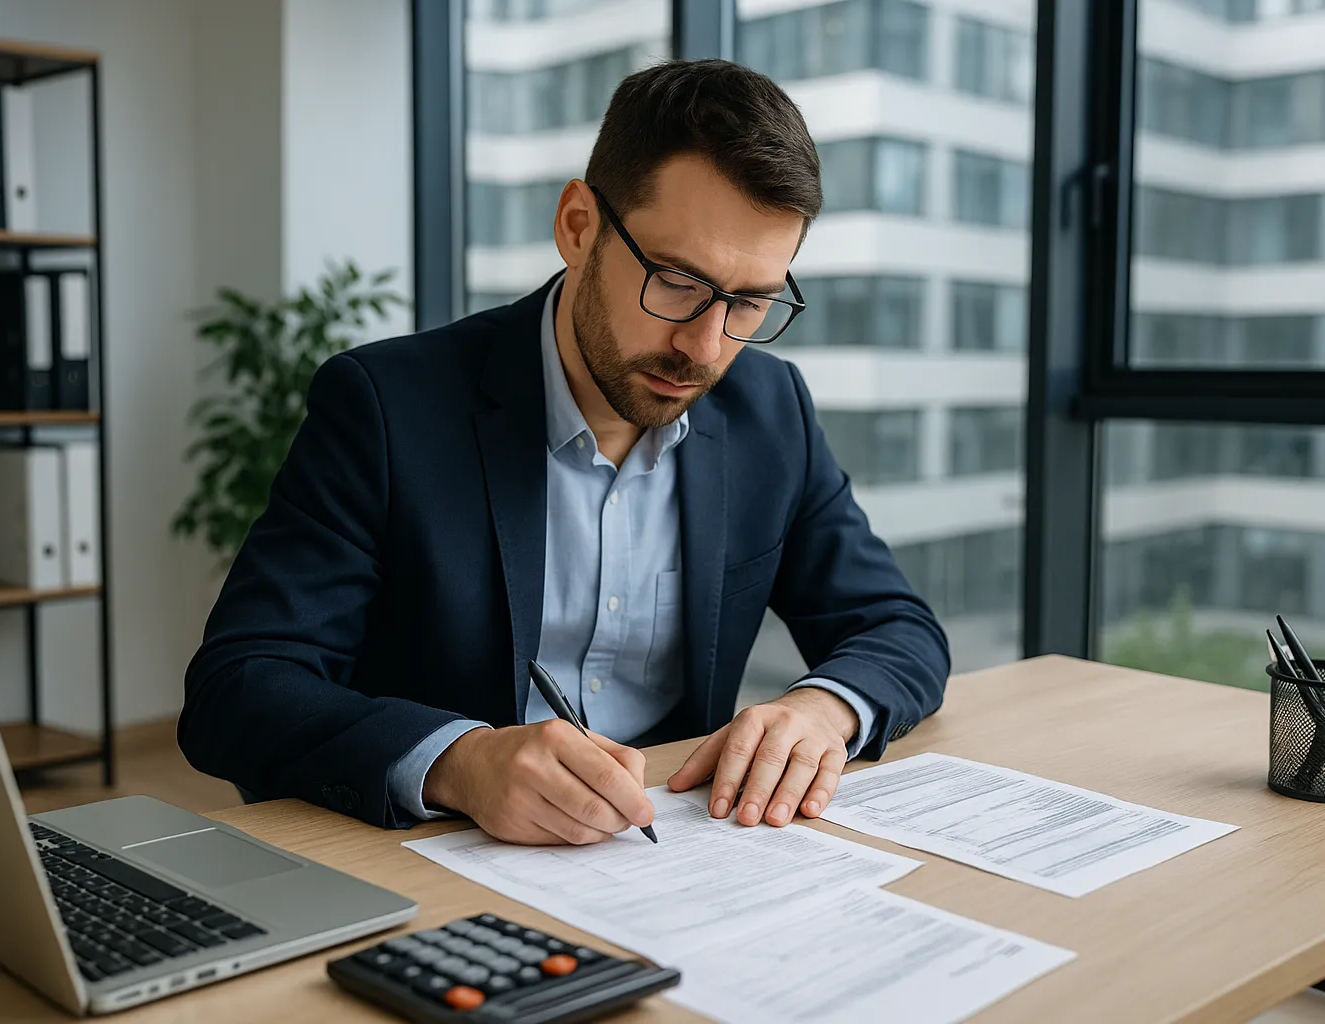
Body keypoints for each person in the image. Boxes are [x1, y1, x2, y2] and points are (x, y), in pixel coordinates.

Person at [179, 58, 950, 846]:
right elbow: (238, 689)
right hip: (434, 856)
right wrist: (461, 761)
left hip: (669, 854)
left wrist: (821, 709)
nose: (705, 346)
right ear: (578, 226)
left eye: (750, 301)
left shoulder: (769, 410)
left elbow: (899, 628)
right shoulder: (386, 406)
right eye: (678, 281)